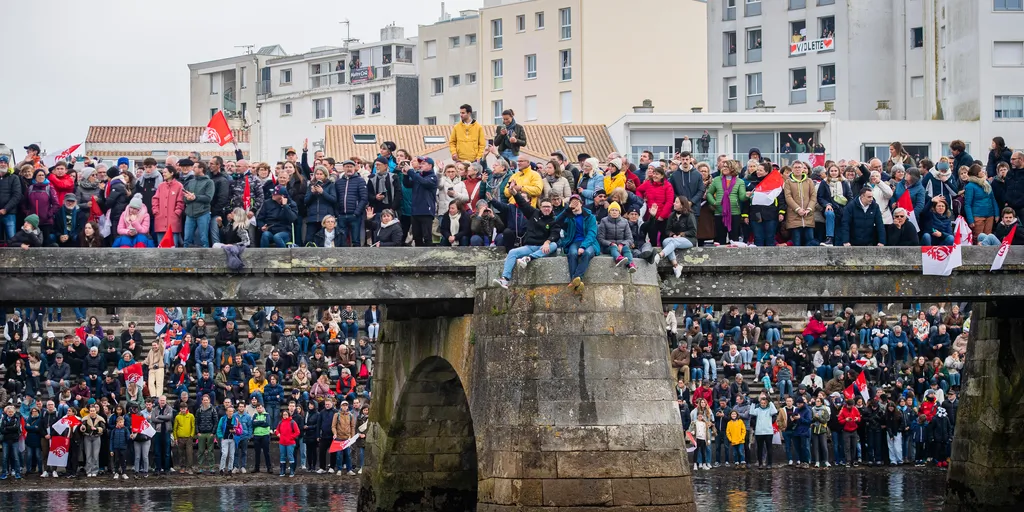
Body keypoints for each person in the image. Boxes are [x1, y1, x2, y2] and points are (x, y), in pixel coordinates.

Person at [555, 195, 599, 294]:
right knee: (572, 254)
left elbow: (592, 233)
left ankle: (574, 280)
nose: (575, 204)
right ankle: (577, 283)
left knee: (587, 253)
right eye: (572, 202)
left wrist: (583, 246)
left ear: (581, 203)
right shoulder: (568, 217)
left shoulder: (590, 217)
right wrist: (567, 210)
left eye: (577, 202)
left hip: (589, 242)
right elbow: (556, 222)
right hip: (573, 242)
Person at [706, 160, 746, 244]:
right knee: (720, 238)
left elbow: (742, 197)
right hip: (719, 212)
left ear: (733, 168)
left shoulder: (740, 182)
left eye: (726, 166)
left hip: (734, 213)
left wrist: (747, 196)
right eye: (723, 166)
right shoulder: (716, 180)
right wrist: (714, 202)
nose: (724, 168)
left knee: (734, 239)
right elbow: (709, 193)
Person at [402, 157, 439, 247]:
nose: (421, 165)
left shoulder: (433, 177)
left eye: (423, 164)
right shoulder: (418, 176)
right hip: (415, 211)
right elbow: (407, 184)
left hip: (426, 211)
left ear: (430, 166)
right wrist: (406, 175)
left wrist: (411, 171)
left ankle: (429, 258)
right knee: (417, 237)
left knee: (427, 237)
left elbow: (424, 182)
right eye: (420, 163)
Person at [597, 201, 637, 273]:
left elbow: (630, 239)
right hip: (608, 246)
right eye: (612, 210)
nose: (614, 212)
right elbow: (600, 238)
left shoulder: (625, 222)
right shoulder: (604, 221)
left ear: (619, 212)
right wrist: (610, 244)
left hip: (621, 245)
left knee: (626, 248)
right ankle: (618, 258)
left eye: (616, 210)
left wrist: (622, 244)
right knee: (613, 247)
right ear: (609, 212)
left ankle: (630, 265)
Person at [182, 160, 214, 248]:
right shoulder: (190, 182)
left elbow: (208, 198)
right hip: (190, 214)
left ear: (201, 169)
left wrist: (195, 197)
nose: (193, 169)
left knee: (203, 239)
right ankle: (184, 260)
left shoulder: (209, 182)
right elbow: (184, 198)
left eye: (195, 167)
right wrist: (188, 198)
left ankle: (206, 260)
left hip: (203, 213)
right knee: (186, 239)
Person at [964, 163, 999, 239]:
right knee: (979, 238)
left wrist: (996, 213)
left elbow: (992, 199)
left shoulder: (987, 183)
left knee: (988, 238)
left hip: (990, 215)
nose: (983, 172)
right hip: (978, 216)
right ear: (976, 173)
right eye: (981, 171)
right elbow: (967, 204)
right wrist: (970, 220)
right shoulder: (970, 186)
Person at [750, 395, 777, 469]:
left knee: (769, 448)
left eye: (764, 403)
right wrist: (753, 403)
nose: (763, 404)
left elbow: (774, 411)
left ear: (767, 403)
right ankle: (760, 463)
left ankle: (769, 464)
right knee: (759, 448)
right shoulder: (758, 410)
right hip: (759, 432)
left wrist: (770, 402)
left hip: (768, 432)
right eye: (761, 403)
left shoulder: (769, 409)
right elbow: (751, 412)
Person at [276, 409, 300, 477]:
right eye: (284, 415)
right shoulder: (280, 422)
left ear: (288, 415)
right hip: (282, 442)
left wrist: (291, 437)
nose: (285, 416)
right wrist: (278, 434)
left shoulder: (292, 422)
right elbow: (277, 430)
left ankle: (292, 471)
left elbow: (297, 432)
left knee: (290, 456)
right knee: (282, 456)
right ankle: (282, 470)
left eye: (286, 414)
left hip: (290, 443)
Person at [216, 405, 240, 474]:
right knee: (224, 454)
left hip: (233, 439)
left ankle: (230, 469)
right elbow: (219, 428)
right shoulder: (223, 419)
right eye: (229, 411)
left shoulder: (236, 419)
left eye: (232, 411)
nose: (231, 413)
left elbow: (238, 428)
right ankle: (222, 469)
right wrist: (221, 436)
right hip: (225, 439)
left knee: (232, 455)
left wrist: (235, 431)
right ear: (226, 412)